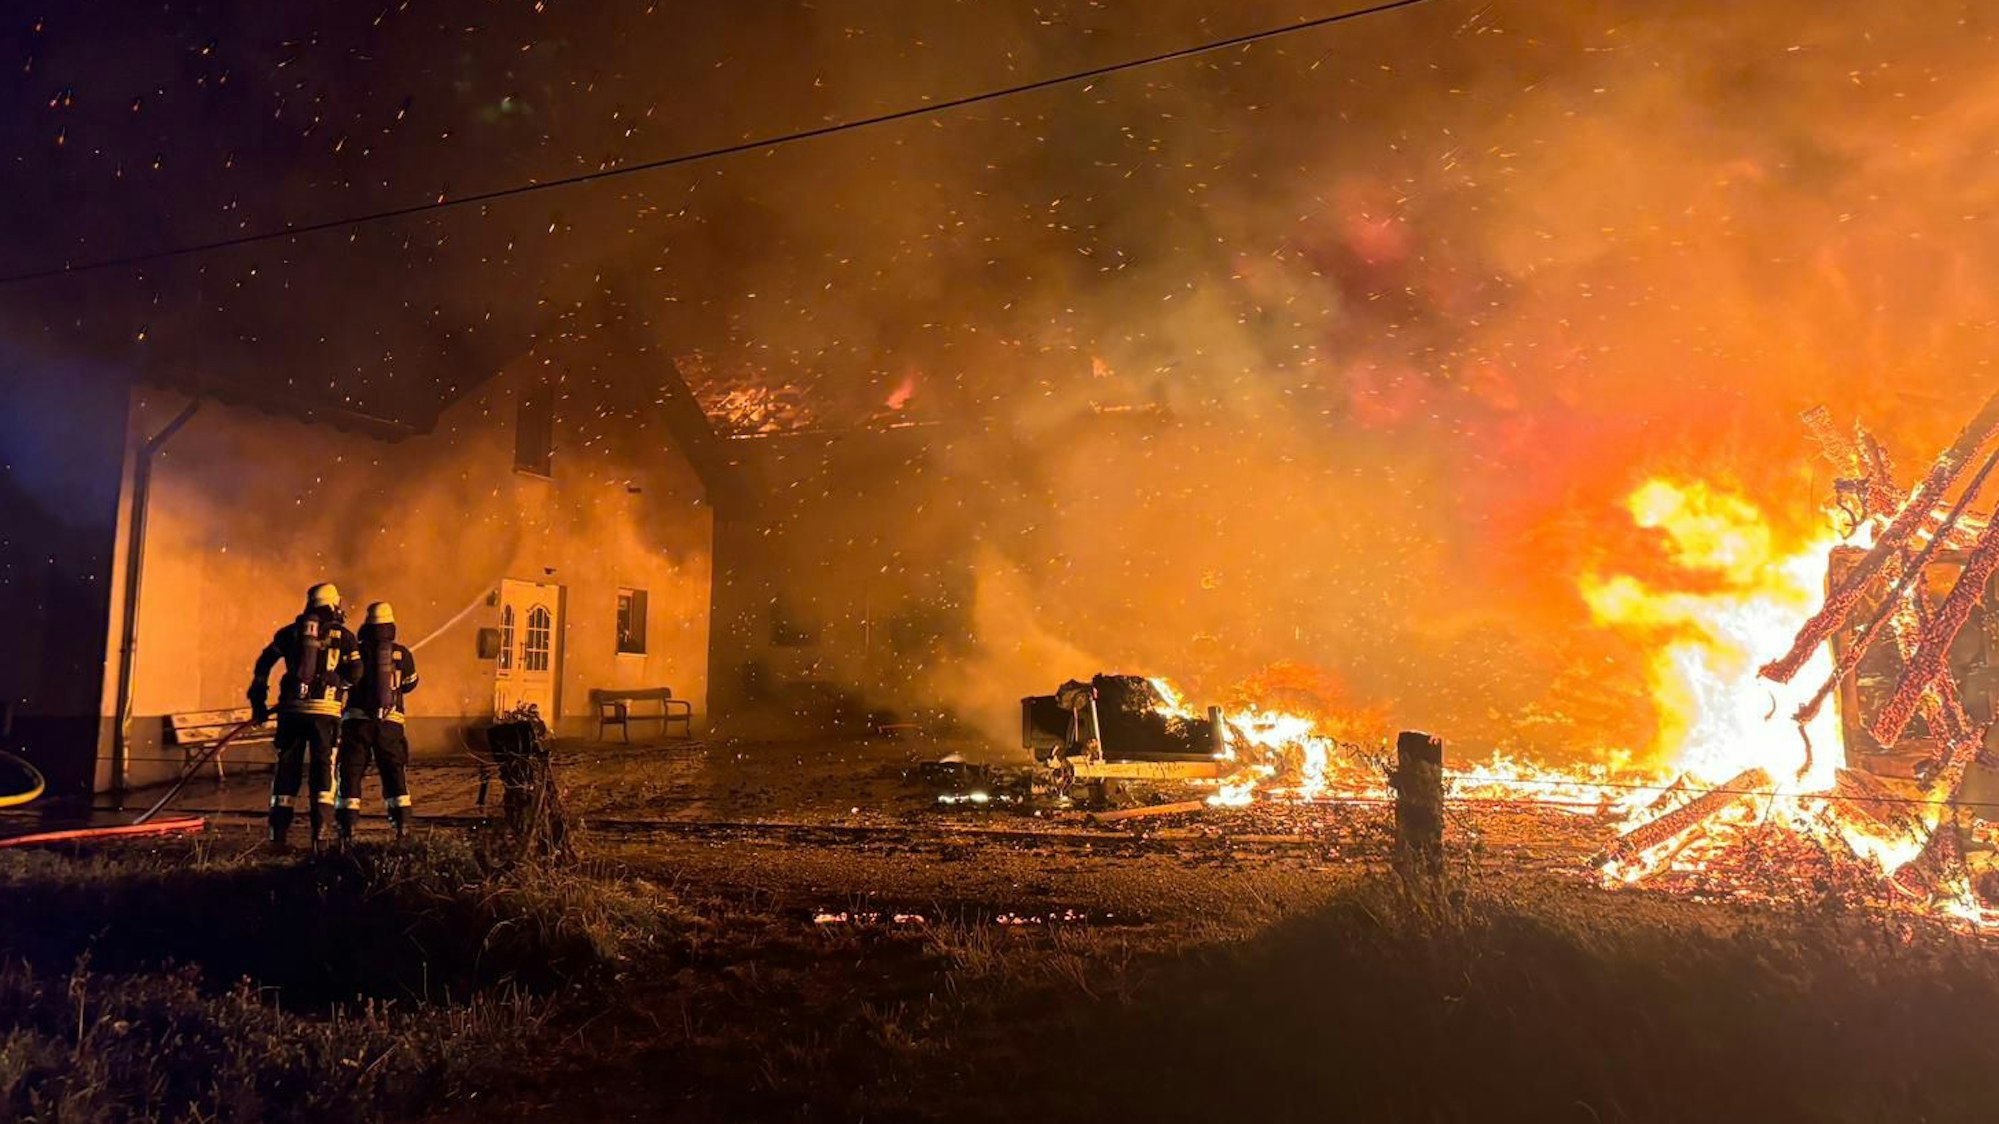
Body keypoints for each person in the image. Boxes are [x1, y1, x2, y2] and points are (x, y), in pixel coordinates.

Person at [248, 582, 356, 849]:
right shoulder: (345, 637)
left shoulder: (289, 633)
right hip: (325, 714)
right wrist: (337, 683)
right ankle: (320, 832)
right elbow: (356, 674)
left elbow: (264, 664)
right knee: (323, 771)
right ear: (332, 605)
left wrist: (259, 702)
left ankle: (278, 833)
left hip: (292, 712)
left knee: (286, 770)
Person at [335, 601, 420, 843]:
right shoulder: (402, 653)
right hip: (390, 725)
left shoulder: (355, 650)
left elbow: (345, 680)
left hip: (357, 723)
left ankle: (347, 830)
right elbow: (410, 684)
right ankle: (402, 827)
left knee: (350, 774)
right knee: (394, 774)